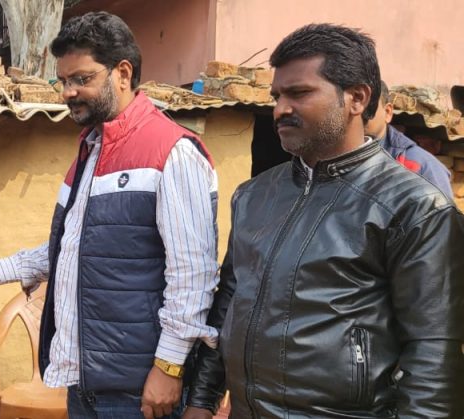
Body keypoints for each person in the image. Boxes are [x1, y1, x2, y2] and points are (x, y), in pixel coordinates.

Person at [183, 24, 464, 418]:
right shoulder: (254, 196)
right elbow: (229, 302)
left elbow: (433, 355)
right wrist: (201, 398)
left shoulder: (413, 208)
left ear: (357, 98)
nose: (280, 109)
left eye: (299, 93)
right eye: (277, 96)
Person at [0, 12, 220, 419]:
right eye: (63, 81)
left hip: (138, 390)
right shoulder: (91, 150)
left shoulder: (172, 151)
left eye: (81, 79)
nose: (68, 92)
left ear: (123, 73)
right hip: (86, 384)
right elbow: (75, 245)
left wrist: (168, 366)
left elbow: (193, 276)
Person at [364, 81, 452, 199]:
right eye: (348, 105)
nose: (356, 112)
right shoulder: (339, 161)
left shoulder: (423, 167)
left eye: (366, 107)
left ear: (388, 112)